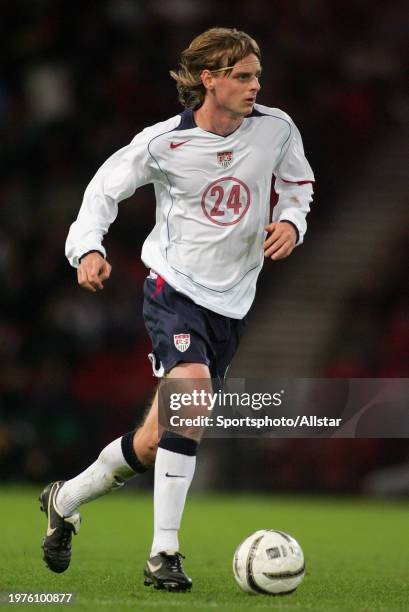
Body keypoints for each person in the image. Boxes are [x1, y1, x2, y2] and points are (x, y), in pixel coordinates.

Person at [39, 27, 314, 592]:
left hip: (233, 300)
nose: (254, 86)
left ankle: (64, 499)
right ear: (208, 79)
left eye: (257, 76)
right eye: (241, 76)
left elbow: (298, 185)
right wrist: (87, 247)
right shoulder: (163, 142)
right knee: (191, 397)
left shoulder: (277, 129)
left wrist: (291, 221)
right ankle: (163, 553)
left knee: (155, 436)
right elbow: (102, 191)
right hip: (174, 287)